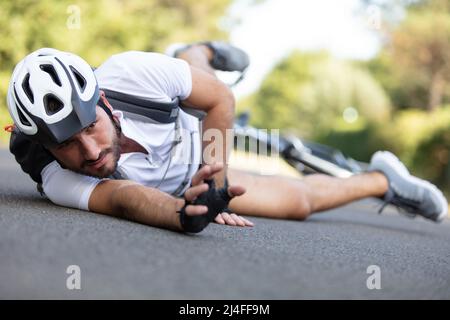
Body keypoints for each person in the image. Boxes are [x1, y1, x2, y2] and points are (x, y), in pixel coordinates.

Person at [5, 43, 448, 234]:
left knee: (201, 79)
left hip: (196, 130)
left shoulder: (131, 73)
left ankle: (200, 49)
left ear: (101, 101)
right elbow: (122, 198)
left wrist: (215, 180)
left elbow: (219, 100)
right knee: (298, 204)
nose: (91, 151)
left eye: (89, 128)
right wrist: (188, 211)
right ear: (46, 147)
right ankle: (384, 179)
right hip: (179, 186)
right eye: (66, 145)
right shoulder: (58, 179)